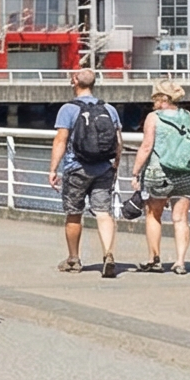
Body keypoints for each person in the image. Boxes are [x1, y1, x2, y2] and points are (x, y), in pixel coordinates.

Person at [47, 68, 125, 277]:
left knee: (74, 213)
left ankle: (73, 259)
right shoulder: (109, 108)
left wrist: (53, 169)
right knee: (103, 212)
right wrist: (115, 164)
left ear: (75, 81)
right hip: (103, 167)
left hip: (76, 167)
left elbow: (60, 140)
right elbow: (118, 142)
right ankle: (108, 254)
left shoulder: (68, 109)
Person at [128, 80, 190, 272]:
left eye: (155, 97)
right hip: (185, 173)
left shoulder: (153, 117)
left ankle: (154, 259)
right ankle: (180, 262)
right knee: (180, 219)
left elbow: (146, 147)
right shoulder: (189, 117)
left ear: (163, 98)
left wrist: (135, 172)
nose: (152, 101)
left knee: (153, 215)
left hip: (158, 172)